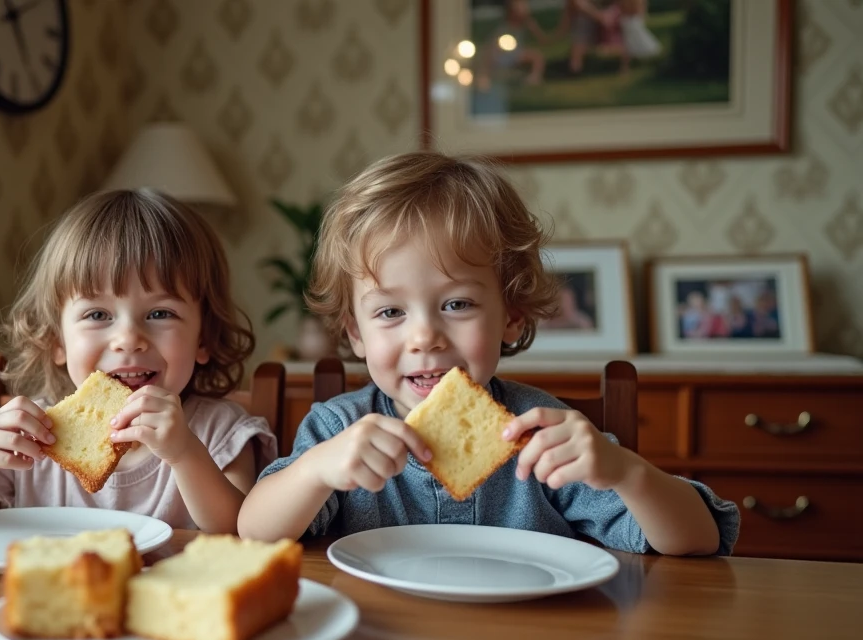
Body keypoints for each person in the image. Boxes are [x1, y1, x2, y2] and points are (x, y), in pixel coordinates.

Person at [238, 152, 738, 556]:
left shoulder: (544, 435)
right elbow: (255, 533)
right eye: (390, 312)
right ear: (356, 334)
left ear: (512, 316)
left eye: (457, 304)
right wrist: (315, 471)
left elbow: (698, 540)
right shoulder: (336, 431)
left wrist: (627, 472)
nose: (424, 337)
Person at [0, 189, 276, 531]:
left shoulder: (220, 433)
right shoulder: (37, 439)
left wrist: (185, 454)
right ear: (57, 340)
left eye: (160, 313)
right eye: (98, 315)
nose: (129, 339)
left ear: (203, 337)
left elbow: (241, 530)